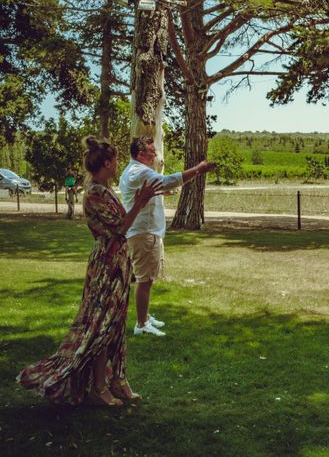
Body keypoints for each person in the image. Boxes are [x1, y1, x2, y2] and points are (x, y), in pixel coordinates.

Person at [17, 138, 162, 406]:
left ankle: (118, 380)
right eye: (115, 160)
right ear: (107, 163)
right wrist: (141, 200)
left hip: (118, 261)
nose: (118, 164)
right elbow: (120, 227)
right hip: (106, 266)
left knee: (116, 325)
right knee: (103, 326)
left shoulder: (106, 189)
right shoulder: (95, 192)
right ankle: (98, 387)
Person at [119, 137, 216, 337]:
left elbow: (147, 190)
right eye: (151, 151)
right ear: (140, 154)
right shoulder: (141, 171)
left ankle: (144, 315)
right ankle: (141, 323)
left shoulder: (133, 171)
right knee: (144, 279)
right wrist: (198, 170)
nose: (155, 154)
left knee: (147, 278)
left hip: (144, 231)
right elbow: (167, 180)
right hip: (144, 232)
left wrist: (159, 193)